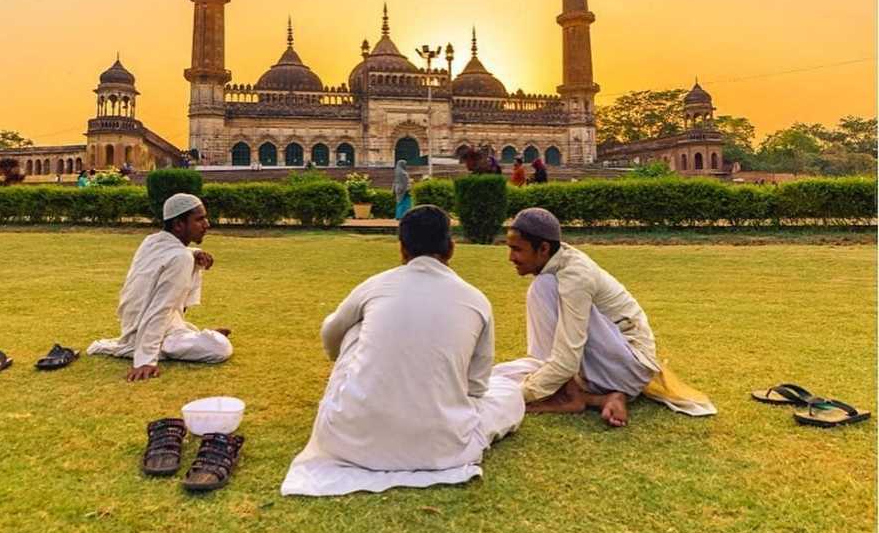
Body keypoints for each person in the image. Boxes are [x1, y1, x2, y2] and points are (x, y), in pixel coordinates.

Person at [282, 205, 525, 496]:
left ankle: (363, 400)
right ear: (451, 247)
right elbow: (476, 386)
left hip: (350, 440)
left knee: (353, 327)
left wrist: (347, 365)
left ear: (403, 248)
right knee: (509, 394)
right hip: (441, 446)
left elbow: (330, 334)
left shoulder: (377, 285)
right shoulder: (476, 300)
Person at [494, 208, 715, 427]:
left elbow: (567, 360)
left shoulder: (574, 277)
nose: (511, 258)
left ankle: (569, 396)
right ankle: (598, 398)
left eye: (517, 249)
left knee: (543, 288)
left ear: (543, 248)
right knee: (497, 377)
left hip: (627, 368)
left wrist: (520, 396)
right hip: (613, 369)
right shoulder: (558, 265)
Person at [86, 193, 233, 381]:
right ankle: (194, 340)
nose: (207, 224)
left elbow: (169, 254)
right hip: (146, 329)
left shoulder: (151, 241)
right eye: (199, 219)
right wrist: (145, 360)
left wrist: (195, 254)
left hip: (135, 324)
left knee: (194, 269)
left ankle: (192, 337)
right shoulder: (180, 257)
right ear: (179, 225)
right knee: (220, 348)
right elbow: (160, 308)